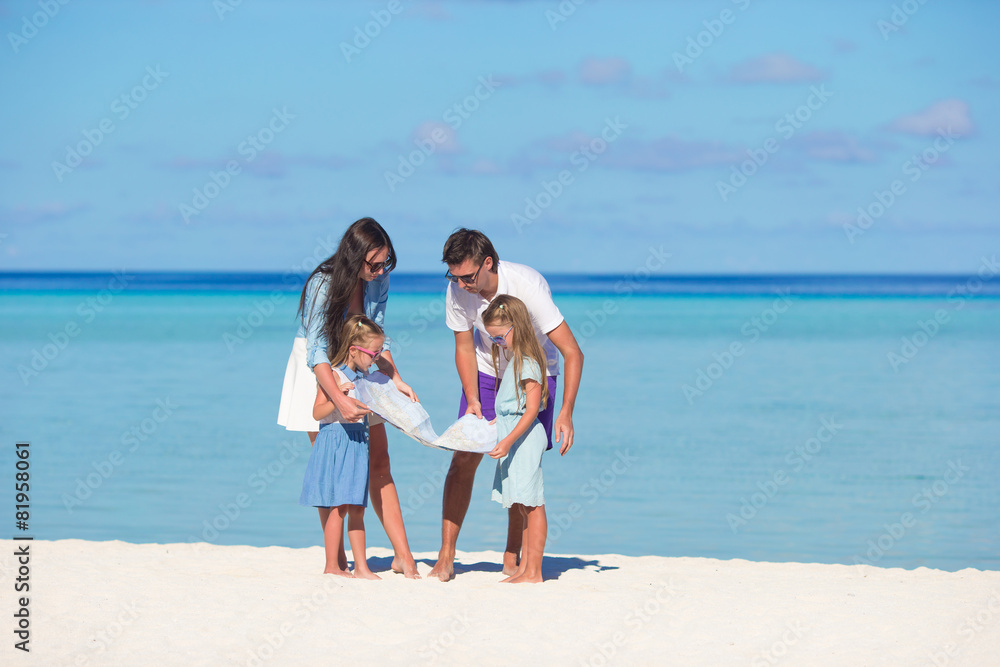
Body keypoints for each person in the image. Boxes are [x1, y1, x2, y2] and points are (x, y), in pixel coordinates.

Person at [428, 229, 584, 582]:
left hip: (535, 373)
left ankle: (513, 556)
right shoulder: (457, 288)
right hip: (486, 373)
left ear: (488, 263)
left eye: (468, 276)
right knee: (463, 457)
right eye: (455, 277)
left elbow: (572, 352)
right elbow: (465, 346)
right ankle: (446, 556)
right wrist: (471, 398)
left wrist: (566, 412)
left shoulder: (526, 286)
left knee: (522, 465)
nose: (462, 284)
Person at [277, 217, 420, 579]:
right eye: (373, 264)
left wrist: (396, 380)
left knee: (379, 461)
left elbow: (377, 338)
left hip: (360, 362)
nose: (379, 271)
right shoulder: (323, 284)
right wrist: (338, 401)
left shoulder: (379, 280)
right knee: (333, 466)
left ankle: (404, 557)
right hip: (319, 368)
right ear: (354, 257)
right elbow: (317, 352)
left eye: (385, 263)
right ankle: (336, 561)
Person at [299, 316, 384, 579]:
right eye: (373, 353)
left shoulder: (366, 377)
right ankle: (332, 565)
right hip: (335, 442)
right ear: (354, 350)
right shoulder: (331, 374)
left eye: (380, 353)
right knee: (337, 506)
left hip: (358, 442)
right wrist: (339, 399)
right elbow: (316, 413)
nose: (376, 358)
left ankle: (361, 567)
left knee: (358, 506)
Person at [482, 296, 550, 583]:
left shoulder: (529, 362)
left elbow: (532, 409)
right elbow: (514, 404)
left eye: (499, 338)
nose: (497, 344)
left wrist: (508, 440)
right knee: (522, 504)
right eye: (493, 339)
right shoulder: (515, 361)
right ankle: (525, 568)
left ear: (516, 328)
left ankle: (534, 571)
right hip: (514, 436)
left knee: (533, 504)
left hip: (523, 440)